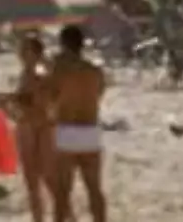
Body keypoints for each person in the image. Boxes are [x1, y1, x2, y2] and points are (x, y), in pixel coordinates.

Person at [45, 24, 106, 222]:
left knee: (62, 192)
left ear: (63, 43)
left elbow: (50, 98)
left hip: (68, 129)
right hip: (90, 129)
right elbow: (98, 94)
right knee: (94, 189)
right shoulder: (95, 71)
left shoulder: (60, 69)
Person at [1, 33, 55, 222]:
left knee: (47, 180)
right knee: (33, 182)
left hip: (37, 127)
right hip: (28, 125)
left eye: (25, 50)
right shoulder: (28, 73)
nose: (20, 53)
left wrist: (10, 100)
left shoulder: (39, 73)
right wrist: (6, 103)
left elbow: (38, 101)